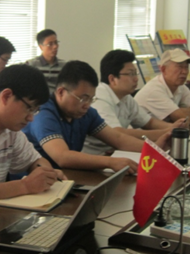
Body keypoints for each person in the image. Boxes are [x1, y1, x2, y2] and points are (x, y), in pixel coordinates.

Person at [23, 60, 171, 175]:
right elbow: (62, 157)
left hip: (65, 178)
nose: (86, 105)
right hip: (33, 184)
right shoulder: (43, 113)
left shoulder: (86, 113)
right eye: (83, 98)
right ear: (61, 92)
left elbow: (118, 139)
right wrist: (110, 162)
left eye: (91, 99)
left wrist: (154, 149)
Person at [0, 64, 66, 203]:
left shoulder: (10, 128)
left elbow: (35, 161)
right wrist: (24, 186)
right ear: (6, 96)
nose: (30, 118)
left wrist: (45, 174)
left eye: (35, 110)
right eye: (29, 108)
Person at [83, 50, 187, 155]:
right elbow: (118, 133)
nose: (136, 79)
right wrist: (166, 132)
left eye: (135, 73)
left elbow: (149, 122)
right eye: (130, 74)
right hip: (95, 157)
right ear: (112, 79)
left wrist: (172, 127)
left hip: (116, 152)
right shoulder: (99, 98)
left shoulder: (126, 97)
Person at [134, 49, 190, 124]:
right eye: (179, 67)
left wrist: (181, 110)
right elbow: (187, 119)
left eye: (186, 67)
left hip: (164, 130)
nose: (184, 72)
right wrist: (184, 113)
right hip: (141, 132)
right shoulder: (154, 90)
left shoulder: (180, 86)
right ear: (163, 69)